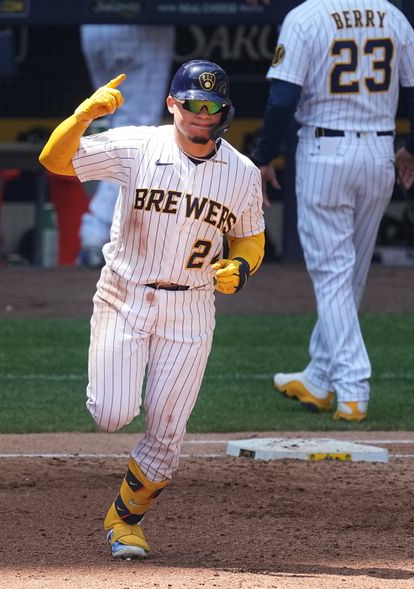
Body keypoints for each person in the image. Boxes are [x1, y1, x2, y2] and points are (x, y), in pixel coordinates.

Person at [38, 60, 265, 559]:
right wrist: (82, 118)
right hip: (126, 294)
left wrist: (241, 268)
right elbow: (55, 162)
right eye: (192, 105)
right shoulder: (138, 145)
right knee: (112, 413)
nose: (201, 116)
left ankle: (124, 523)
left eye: (212, 107)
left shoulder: (243, 174)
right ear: (172, 104)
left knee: (168, 429)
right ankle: (123, 505)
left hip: (192, 308)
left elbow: (250, 237)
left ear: (225, 111)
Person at [251, 0, 414, 422]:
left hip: (326, 151)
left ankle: (353, 388)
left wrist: (263, 156)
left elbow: (282, 101)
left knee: (334, 275)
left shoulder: (305, 17)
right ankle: (319, 377)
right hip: (379, 152)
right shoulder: (391, 14)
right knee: (349, 274)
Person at [77, 24, 176, 268]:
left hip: (93, 26)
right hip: (138, 26)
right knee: (136, 132)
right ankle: (97, 230)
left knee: (115, 122)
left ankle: (113, 232)